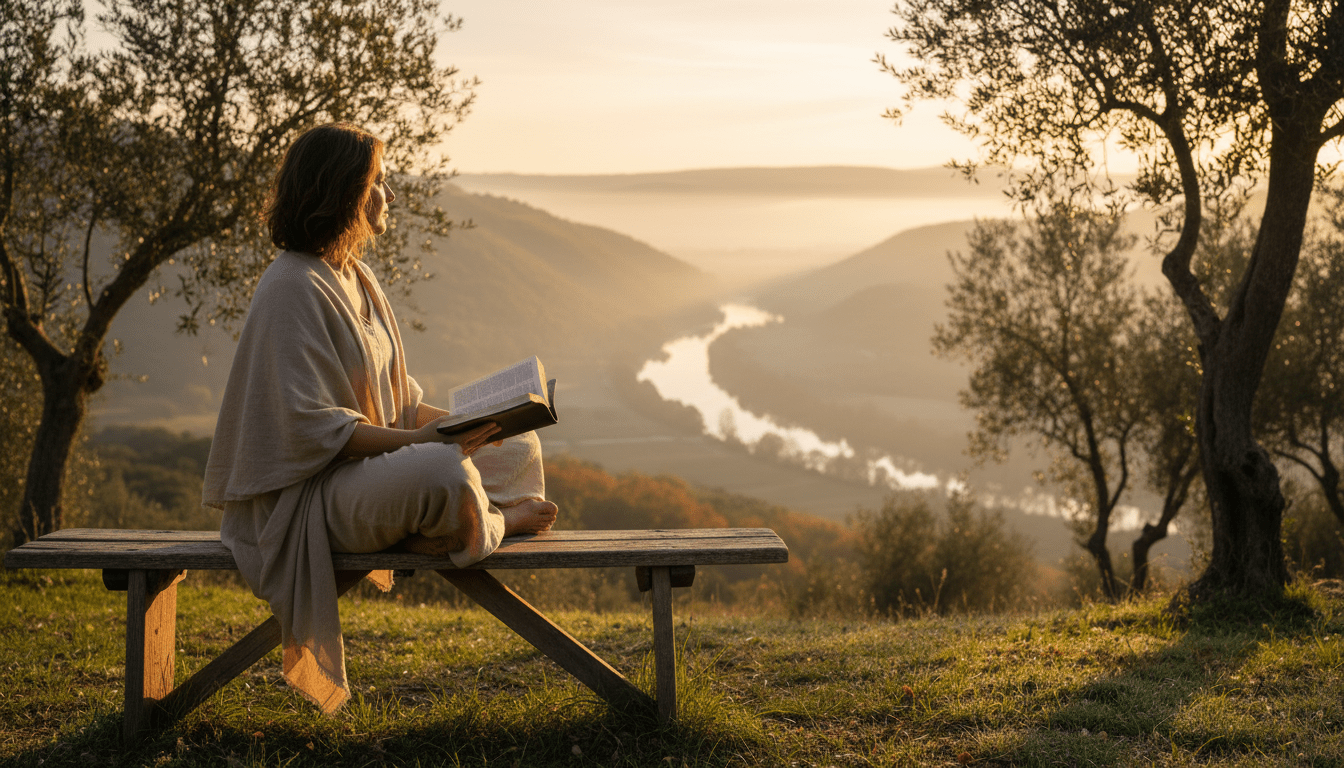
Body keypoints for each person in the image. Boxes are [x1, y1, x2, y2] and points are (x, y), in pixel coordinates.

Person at [203, 122, 558, 712]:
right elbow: (313, 431)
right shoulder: (292, 285)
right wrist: (425, 440)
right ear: (343, 192)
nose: (390, 194)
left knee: (515, 449)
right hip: (313, 496)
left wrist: (480, 420)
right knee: (442, 471)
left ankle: (443, 524)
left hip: (376, 465)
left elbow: (398, 397)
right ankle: (497, 524)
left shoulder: (357, 276)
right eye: (379, 182)